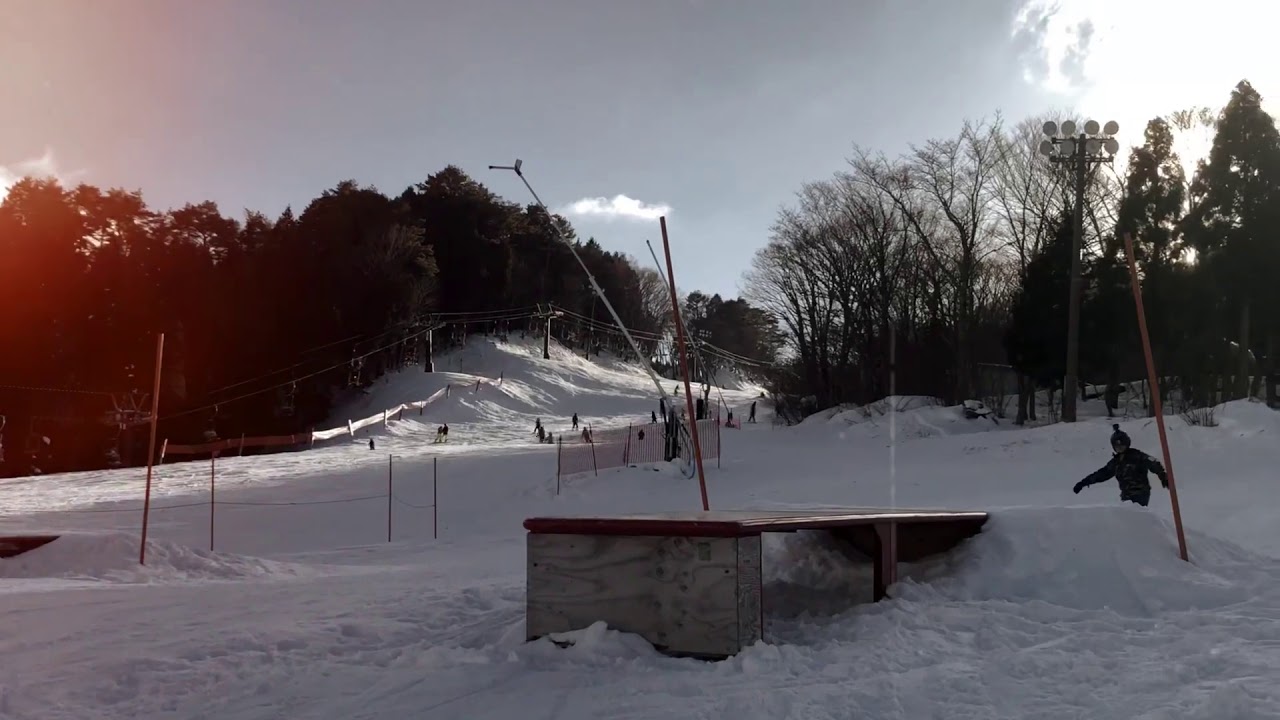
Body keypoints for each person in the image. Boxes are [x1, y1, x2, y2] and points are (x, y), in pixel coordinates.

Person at [1073, 424, 1168, 507]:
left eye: (1122, 446)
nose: (1119, 448)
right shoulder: (1116, 462)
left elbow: (1153, 462)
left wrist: (1163, 475)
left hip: (1140, 493)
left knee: (1136, 517)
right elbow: (1102, 473)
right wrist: (1083, 483)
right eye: (1117, 447)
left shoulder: (1137, 456)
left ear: (1127, 444)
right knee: (1127, 519)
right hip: (1126, 495)